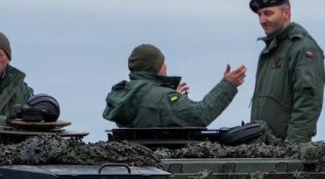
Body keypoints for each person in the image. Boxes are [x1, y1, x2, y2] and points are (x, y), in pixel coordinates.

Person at [103, 44, 247, 129]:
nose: (166, 67)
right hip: (162, 168)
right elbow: (200, 116)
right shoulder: (164, 98)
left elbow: (149, 111)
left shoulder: (123, 94)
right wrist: (227, 85)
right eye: (162, 63)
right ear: (155, 67)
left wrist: (171, 98)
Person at [248, 0, 325, 142]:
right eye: (259, 15)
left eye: (268, 13)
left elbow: (308, 103)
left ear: (286, 13)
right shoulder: (271, 50)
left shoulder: (302, 48)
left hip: (284, 152)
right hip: (264, 148)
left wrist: (293, 147)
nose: (262, 20)